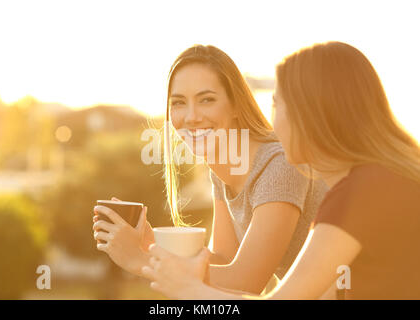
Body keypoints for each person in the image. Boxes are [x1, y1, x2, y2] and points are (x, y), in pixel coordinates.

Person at [142, 41, 420, 300]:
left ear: (313, 113)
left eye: (277, 104)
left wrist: (181, 282)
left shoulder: (358, 193)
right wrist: (154, 249)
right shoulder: (375, 182)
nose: (271, 121)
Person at [92, 44, 327, 295]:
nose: (191, 116)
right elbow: (225, 260)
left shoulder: (280, 165)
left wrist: (140, 261)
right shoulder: (221, 169)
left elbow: (246, 281)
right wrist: (151, 246)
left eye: (207, 100)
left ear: (236, 104)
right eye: (179, 103)